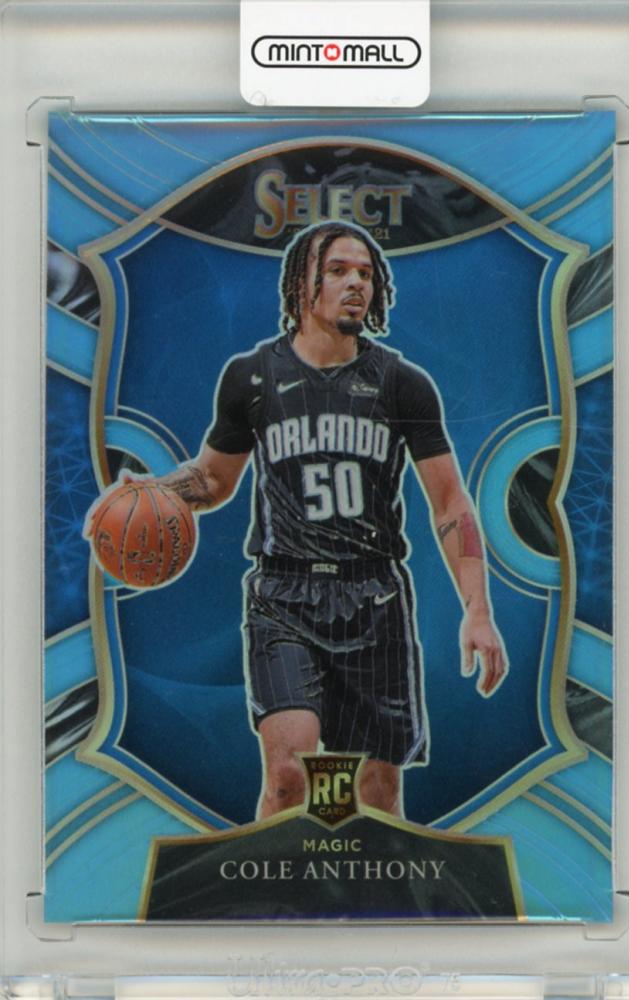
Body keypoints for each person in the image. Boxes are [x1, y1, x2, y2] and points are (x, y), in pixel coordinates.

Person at [119, 221, 508, 819]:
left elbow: (451, 503)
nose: (356, 284)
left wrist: (477, 611)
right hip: (284, 595)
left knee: (374, 791)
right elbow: (213, 480)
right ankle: (272, 880)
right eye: (338, 271)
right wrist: (152, 491)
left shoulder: (402, 384)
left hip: (373, 595)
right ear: (304, 283)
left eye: (366, 274)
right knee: (288, 776)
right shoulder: (253, 377)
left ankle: (366, 880)